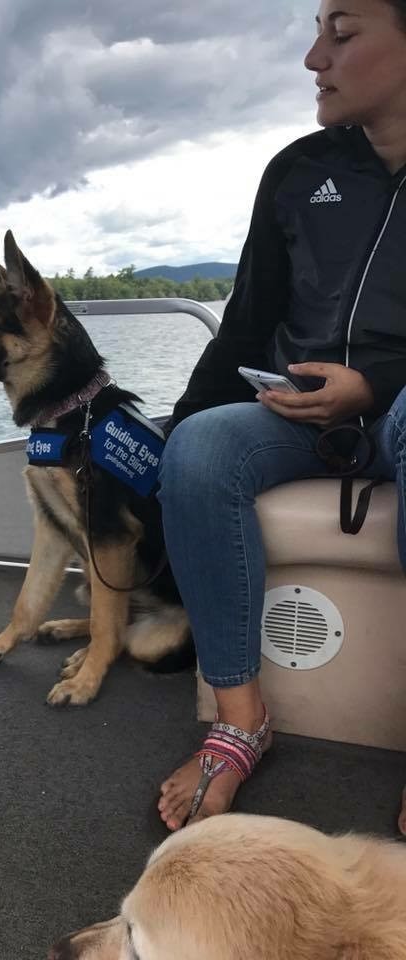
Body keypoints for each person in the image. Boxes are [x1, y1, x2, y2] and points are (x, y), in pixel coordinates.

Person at [156, 0, 406, 832]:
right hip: (295, 414)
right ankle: (239, 722)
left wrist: (371, 384)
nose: (312, 59)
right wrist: (169, 438)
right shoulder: (298, 170)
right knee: (197, 450)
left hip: (398, 409)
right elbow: (245, 323)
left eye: (341, 34)